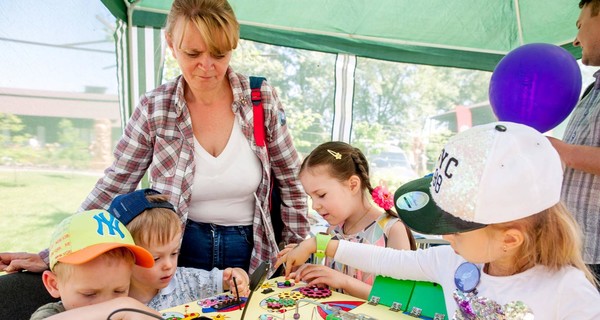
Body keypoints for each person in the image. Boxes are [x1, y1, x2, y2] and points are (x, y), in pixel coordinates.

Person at [0, 0, 308, 276]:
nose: (207, 66)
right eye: (192, 53)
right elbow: (116, 183)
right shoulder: (155, 107)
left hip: (251, 247)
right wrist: (55, 252)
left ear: (233, 45)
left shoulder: (259, 98)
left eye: (219, 53)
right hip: (173, 249)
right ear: (171, 44)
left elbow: (292, 179)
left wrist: (296, 248)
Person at [277, 122, 600, 319]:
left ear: (510, 239)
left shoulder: (569, 292)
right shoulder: (454, 261)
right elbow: (386, 260)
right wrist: (321, 244)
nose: (446, 239)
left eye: (454, 230)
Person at [277, 141, 416, 299]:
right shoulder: (332, 232)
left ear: (353, 185)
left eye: (321, 195)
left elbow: (398, 300)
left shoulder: (392, 230)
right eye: (311, 197)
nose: (314, 206)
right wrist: (311, 273)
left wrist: (343, 281)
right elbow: (334, 291)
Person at [108, 188, 250, 310]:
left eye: (174, 253)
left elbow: (225, 278)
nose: (169, 265)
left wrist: (236, 277)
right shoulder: (106, 298)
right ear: (124, 256)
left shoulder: (185, 281)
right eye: (156, 258)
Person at [547, 0, 600, 283]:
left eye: (581, 26)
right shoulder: (592, 89)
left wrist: (563, 152)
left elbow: (571, 156)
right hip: (577, 248)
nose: (576, 40)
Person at [31, 209, 161, 320]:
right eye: (89, 294)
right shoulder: (51, 314)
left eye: (119, 291)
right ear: (54, 284)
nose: (106, 303)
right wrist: (121, 306)